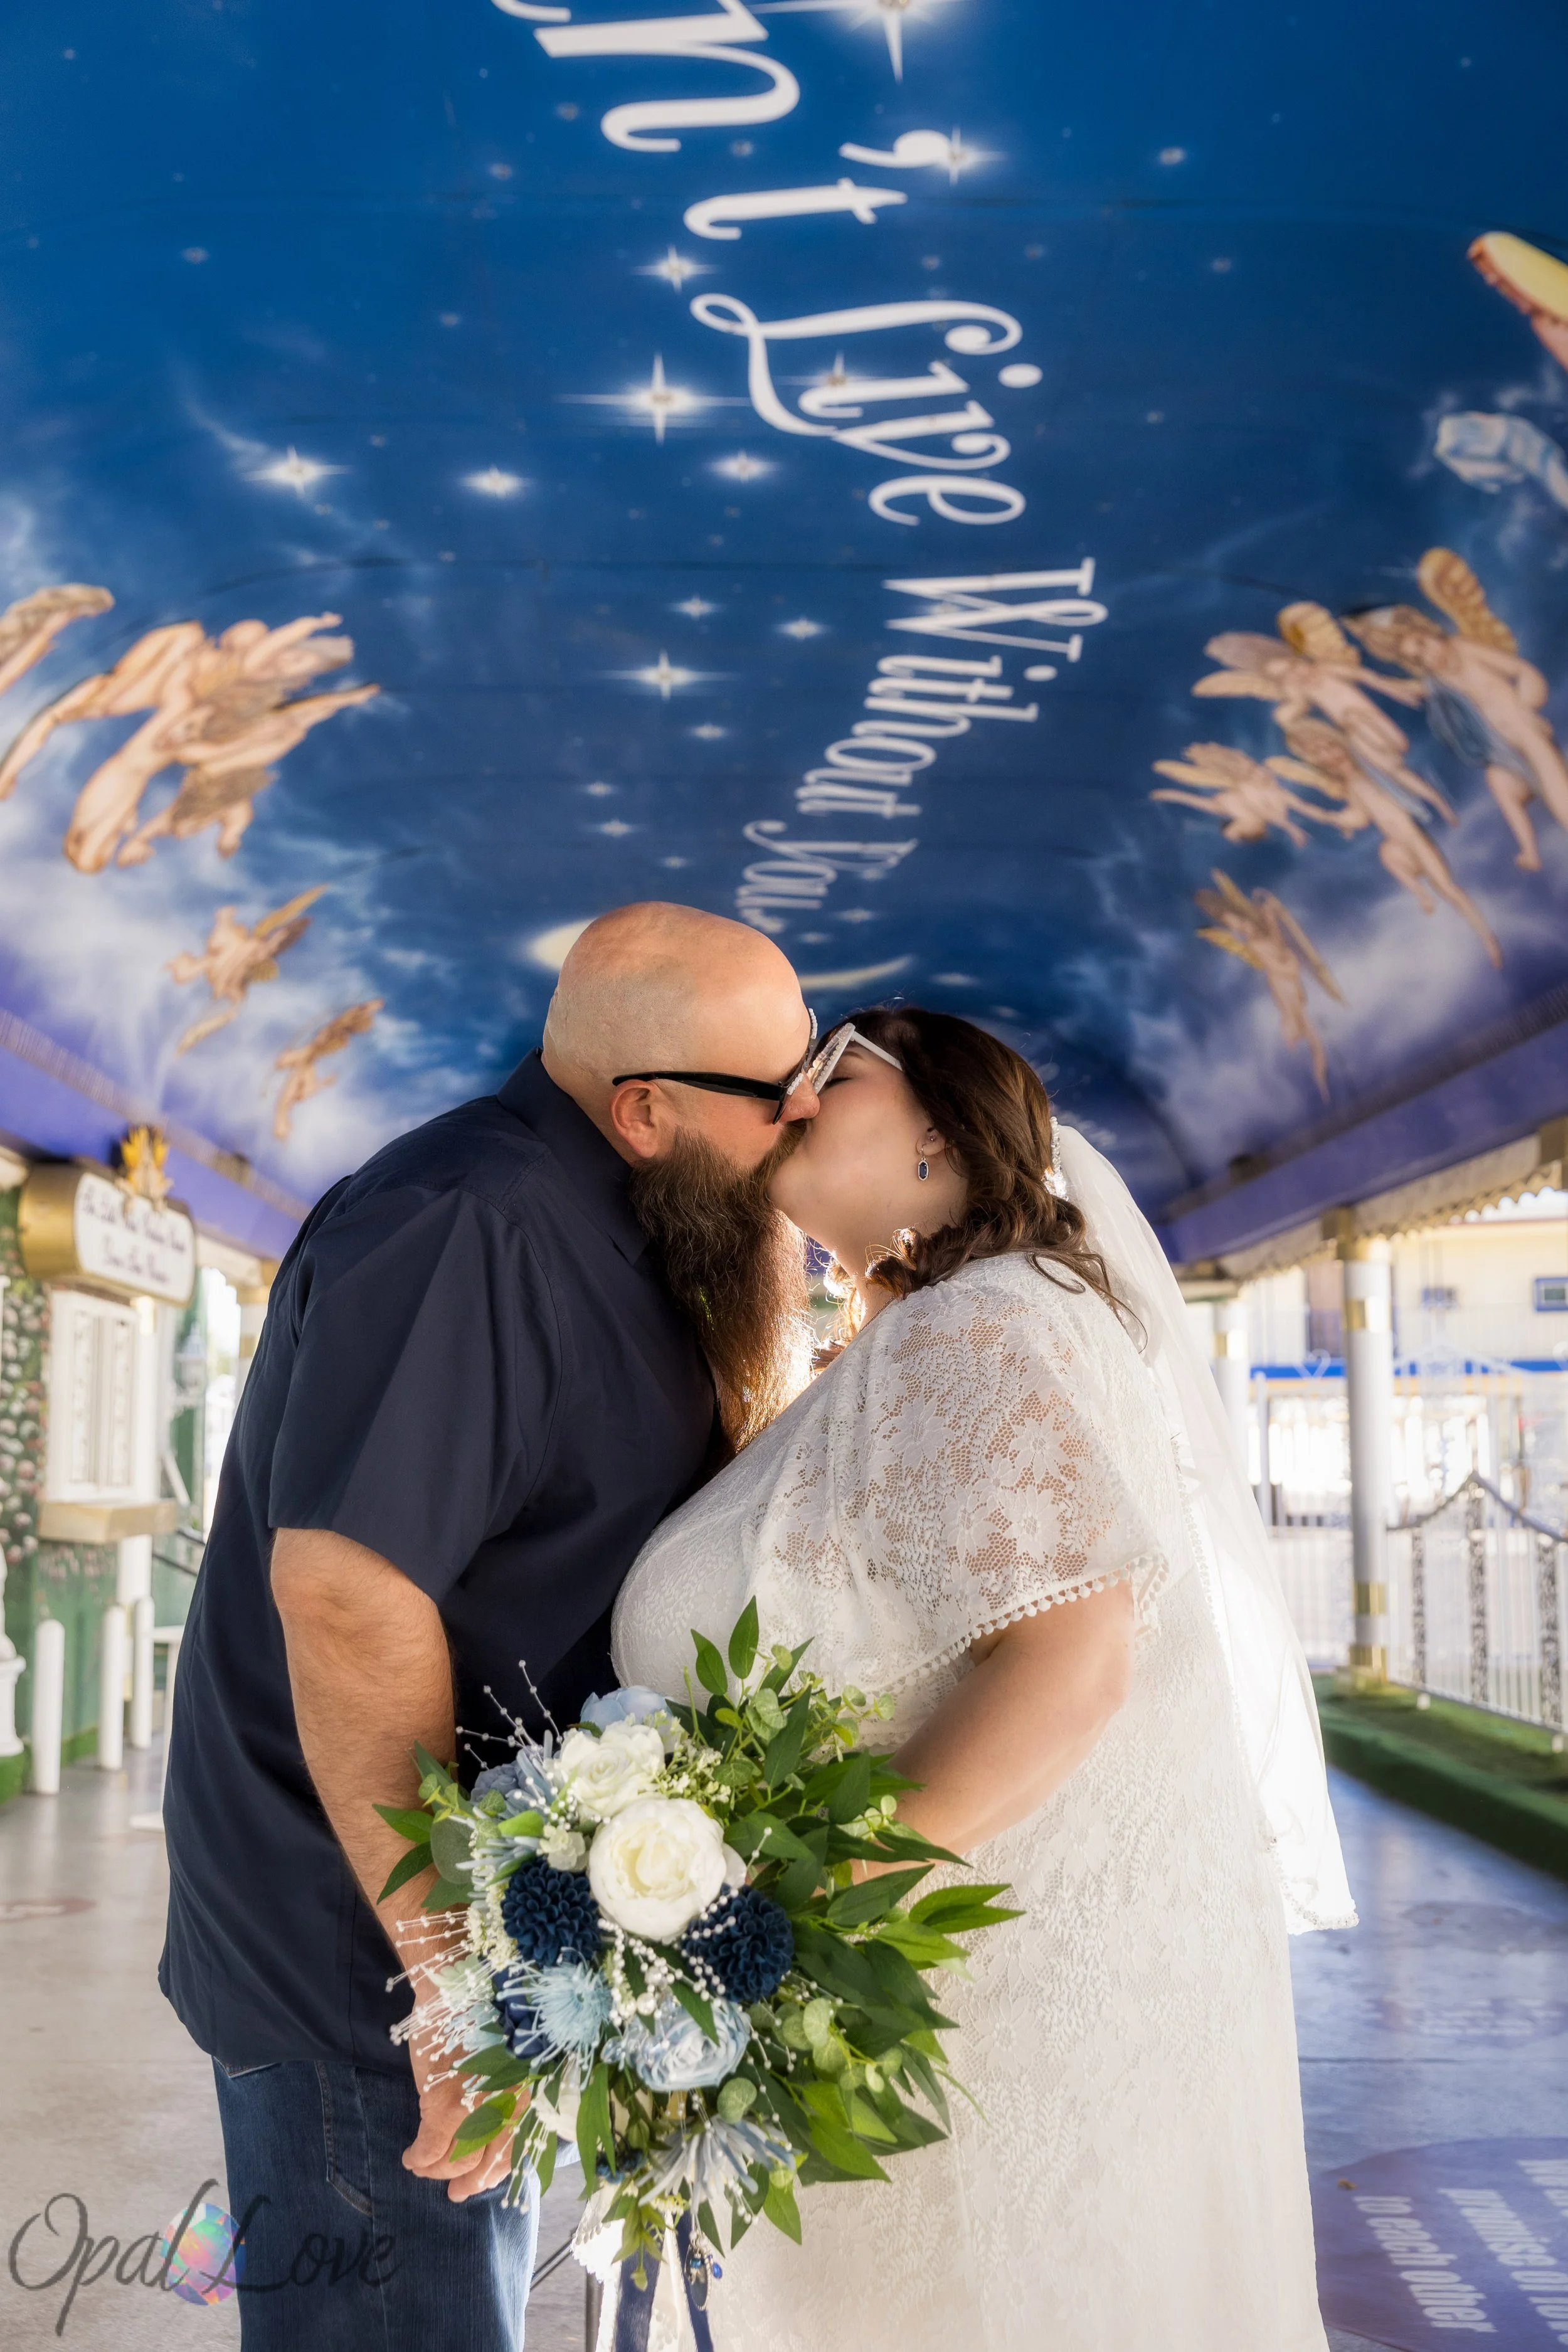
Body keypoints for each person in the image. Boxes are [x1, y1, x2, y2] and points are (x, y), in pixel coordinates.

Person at [613, 1005, 1354, 2352]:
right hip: (955, 2030)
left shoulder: (976, 1333)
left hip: (963, 2039)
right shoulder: (959, 1331)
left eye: (833, 1069)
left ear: (944, 1135)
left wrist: (778, 1927)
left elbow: (1071, 1663)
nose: (793, 1092)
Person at [159, 902, 822, 2351]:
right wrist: (456, 1987)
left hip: (477, 1934)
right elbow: (345, 1596)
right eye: (778, 1098)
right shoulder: (468, 1225)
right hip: (370, 1953)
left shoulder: (644, 1228)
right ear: (642, 1109)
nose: (804, 1123)